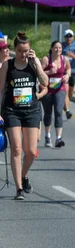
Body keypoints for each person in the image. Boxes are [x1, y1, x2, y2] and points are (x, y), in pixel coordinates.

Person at [0, 32, 49, 200]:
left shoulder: (34, 64)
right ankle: (19, 189)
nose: (23, 54)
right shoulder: (8, 65)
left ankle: (23, 175)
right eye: (20, 50)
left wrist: (36, 64)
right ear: (15, 49)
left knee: (30, 151)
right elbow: (1, 91)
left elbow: (45, 82)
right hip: (12, 110)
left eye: (26, 50)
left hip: (31, 110)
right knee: (17, 148)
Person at [40, 41, 71, 148]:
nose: (58, 50)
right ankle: (47, 136)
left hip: (60, 88)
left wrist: (67, 76)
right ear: (52, 48)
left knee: (58, 111)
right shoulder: (46, 59)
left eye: (60, 48)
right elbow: (39, 73)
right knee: (48, 113)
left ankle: (58, 138)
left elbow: (68, 69)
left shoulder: (64, 59)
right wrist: (49, 72)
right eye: (56, 48)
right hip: (47, 89)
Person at [62, 29, 75, 119]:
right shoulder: (61, 46)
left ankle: (66, 103)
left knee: (70, 91)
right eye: (67, 36)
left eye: (70, 36)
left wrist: (74, 56)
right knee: (66, 91)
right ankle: (67, 109)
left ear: (73, 37)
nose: (69, 38)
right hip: (64, 71)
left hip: (73, 71)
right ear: (64, 37)